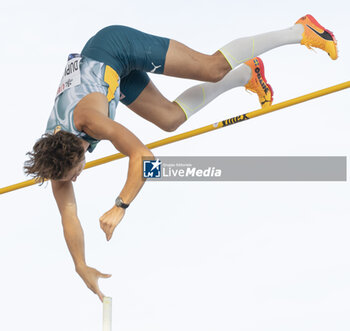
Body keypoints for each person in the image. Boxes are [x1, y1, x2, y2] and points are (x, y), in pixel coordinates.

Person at [23, 14, 338, 302]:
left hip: (114, 46)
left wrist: (120, 207)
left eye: (75, 173)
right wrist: (81, 267)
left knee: (212, 68)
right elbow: (68, 215)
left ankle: (301, 30)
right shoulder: (56, 160)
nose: (75, 178)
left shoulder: (93, 122)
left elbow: (144, 156)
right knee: (170, 118)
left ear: (77, 150)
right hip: (108, 73)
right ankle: (248, 74)